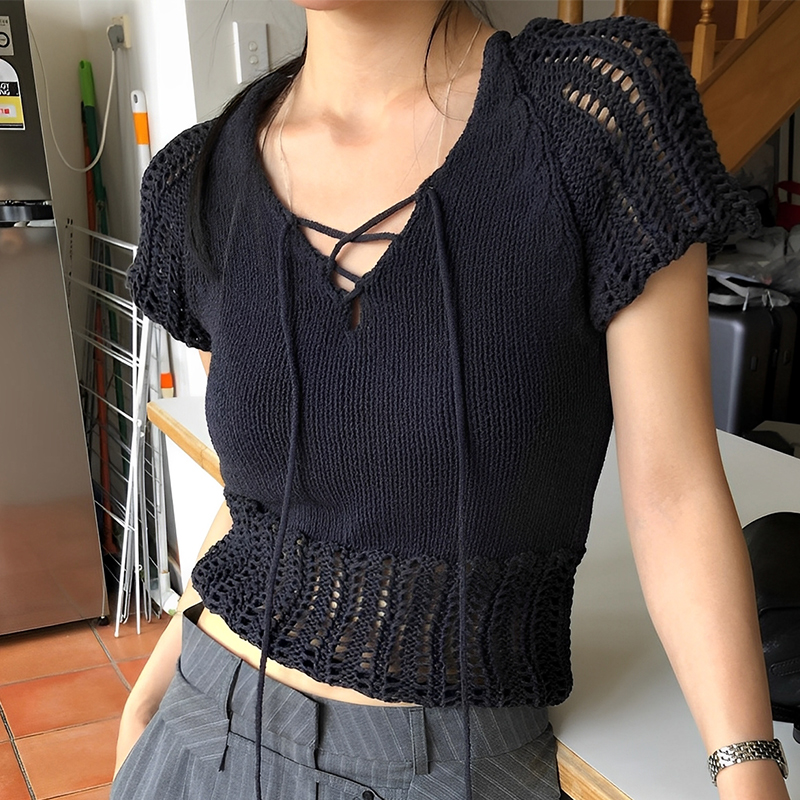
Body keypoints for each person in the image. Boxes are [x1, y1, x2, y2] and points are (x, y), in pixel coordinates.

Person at [111, 2, 792, 799]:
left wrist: (749, 771)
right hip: (201, 729)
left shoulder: (591, 114)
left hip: (452, 767)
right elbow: (255, 504)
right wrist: (148, 698)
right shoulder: (198, 179)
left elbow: (674, 495)